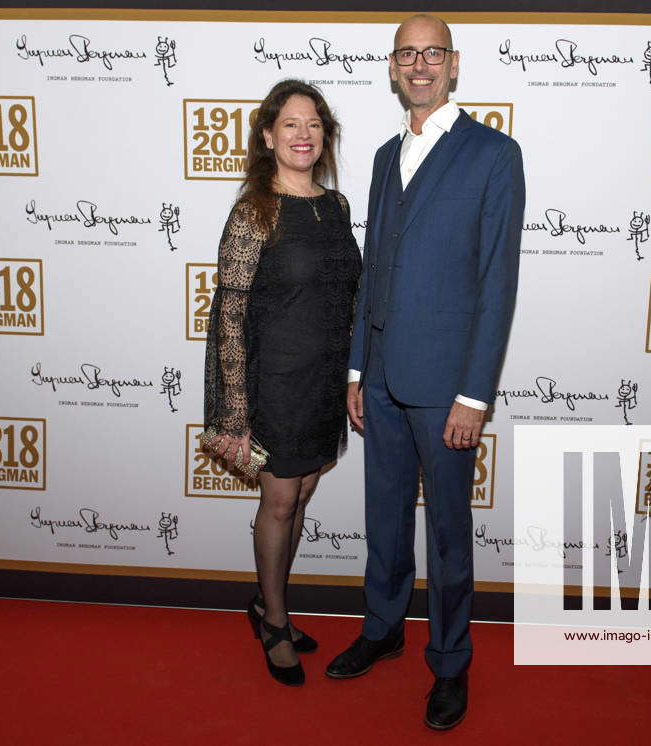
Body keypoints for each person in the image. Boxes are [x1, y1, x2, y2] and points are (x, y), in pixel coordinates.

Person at [324, 14, 525, 730]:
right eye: (407, 53)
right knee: (383, 518)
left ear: (454, 63)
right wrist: (354, 366)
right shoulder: (383, 155)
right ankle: (382, 629)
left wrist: (474, 393)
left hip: (446, 386)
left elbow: (497, 281)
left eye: (431, 52)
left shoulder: (494, 155)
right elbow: (374, 269)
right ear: (392, 66)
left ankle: (450, 661)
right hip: (377, 377)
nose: (419, 65)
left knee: (446, 532)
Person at [203, 79, 361, 687]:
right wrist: (235, 411)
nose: (303, 134)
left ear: (325, 137)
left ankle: (272, 604)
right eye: (290, 124)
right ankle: (273, 620)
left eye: (314, 124)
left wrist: (355, 376)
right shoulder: (253, 212)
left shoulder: (337, 206)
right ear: (268, 137)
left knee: (301, 497)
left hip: (324, 382)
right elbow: (230, 315)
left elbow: (347, 302)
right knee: (278, 500)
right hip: (274, 385)